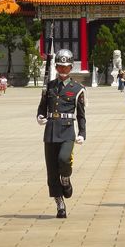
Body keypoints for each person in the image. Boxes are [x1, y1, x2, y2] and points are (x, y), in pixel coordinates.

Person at [36, 49, 86, 219]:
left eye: (66, 67)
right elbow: (42, 107)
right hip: (50, 131)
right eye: (60, 66)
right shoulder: (49, 87)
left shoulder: (77, 88)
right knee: (51, 170)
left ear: (71, 67)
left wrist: (82, 133)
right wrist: (40, 117)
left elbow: (80, 114)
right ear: (56, 66)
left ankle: (66, 178)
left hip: (67, 131)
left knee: (64, 160)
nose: (63, 69)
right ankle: (60, 203)